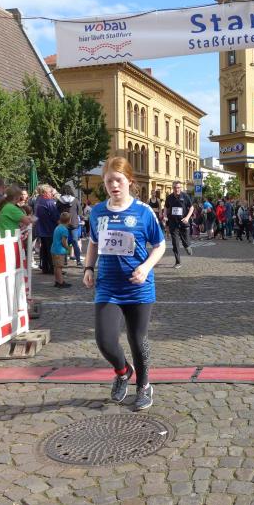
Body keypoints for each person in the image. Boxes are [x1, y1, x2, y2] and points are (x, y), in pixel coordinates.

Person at [83, 157, 166, 410]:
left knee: (137, 339)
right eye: (109, 181)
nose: (114, 185)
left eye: (118, 180)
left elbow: (159, 245)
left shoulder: (143, 211)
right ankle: (122, 371)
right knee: (105, 340)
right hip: (108, 286)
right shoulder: (98, 212)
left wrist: (146, 267)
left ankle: (144, 386)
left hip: (138, 286)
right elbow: (93, 243)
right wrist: (88, 268)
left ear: (129, 181)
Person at [164, 180, 194, 268]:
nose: (176, 189)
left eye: (178, 188)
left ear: (180, 188)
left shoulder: (185, 196)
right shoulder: (169, 197)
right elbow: (166, 207)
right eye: (175, 188)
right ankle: (178, 262)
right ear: (172, 188)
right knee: (175, 243)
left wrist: (187, 218)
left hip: (183, 222)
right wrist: (165, 215)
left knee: (186, 241)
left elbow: (191, 207)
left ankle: (187, 246)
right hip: (173, 223)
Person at [35, 184, 60, 274]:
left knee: (44, 250)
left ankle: (45, 268)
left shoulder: (38, 201)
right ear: (45, 193)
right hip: (50, 229)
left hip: (41, 229)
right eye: (50, 192)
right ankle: (53, 269)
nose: (52, 193)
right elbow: (56, 216)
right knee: (51, 250)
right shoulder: (49, 202)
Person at [58, 183, 84, 267]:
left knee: (63, 242)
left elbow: (56, 212)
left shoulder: (59, 201)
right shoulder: (75, 200)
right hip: (73, 224)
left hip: (63, 224)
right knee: (75, 243)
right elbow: (80, 212)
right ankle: (78, 261)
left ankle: (64, 261)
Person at [51, 213, 72, 288]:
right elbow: (63, 242)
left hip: (54, 249)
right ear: (69, 221)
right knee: (59, 267)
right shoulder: (65, 230)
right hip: (59, 251)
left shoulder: (57, 227)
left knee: (56, 267)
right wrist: (67, 248)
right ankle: (60, 282)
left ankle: (57, 281)